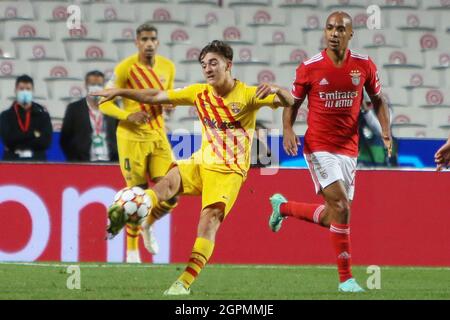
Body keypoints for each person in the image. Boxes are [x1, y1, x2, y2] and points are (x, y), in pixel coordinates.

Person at [92, 40, 293, 295]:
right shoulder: (199, 93)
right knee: (166, 183)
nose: (207, 68)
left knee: (209, 223)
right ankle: (139, 208)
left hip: (228, 172)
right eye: (203, 64)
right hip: (200, 161)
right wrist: (120, 93)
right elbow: (155, 96)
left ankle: (183, 283)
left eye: (213, 63)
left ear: (228, 65)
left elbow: (289, 100)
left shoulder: (248, 95)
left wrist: (277, 88)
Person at [268, 12, 392, 293]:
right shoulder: (310, 67)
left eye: (340, 29)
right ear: (325, 32)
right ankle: (346, 278)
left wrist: (386, 132)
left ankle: (283, 207)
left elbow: (378, 100)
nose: (334, 33)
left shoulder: (364, 66)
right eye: (330, 28)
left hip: (349, 150)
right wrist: (288, 129)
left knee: (334, 216)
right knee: (342, 208)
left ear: (351, 34)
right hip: (319, 147)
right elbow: (292, 102)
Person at [99, 23, 177, 263]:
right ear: (136, 42)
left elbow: (169, 97)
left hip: (158, 135)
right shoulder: (125, 68)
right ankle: (132, 253)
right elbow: (104, 101)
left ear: (158, 42)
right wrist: (127, 115)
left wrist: (169, 105)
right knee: (138, 194)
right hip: (131, 138)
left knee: (173, 192)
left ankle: (148, 225)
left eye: (153, 39)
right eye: (144, 39)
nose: (149, 43)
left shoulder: (168, 67)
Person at [60, 70, 118, 162]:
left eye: (99, 85)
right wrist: (74, 159)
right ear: (86, 85)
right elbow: (65, 138)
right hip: (82, 162)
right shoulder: (74, 109)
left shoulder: (113, 107)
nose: (96, 87)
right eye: (92, 84)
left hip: (110, 161)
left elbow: (119, 133)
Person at [0, 74, 52, 161]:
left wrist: (18, 141)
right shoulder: (5, 115)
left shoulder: (43, 115)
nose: (25, 92)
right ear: (15, 91)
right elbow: (8, 140)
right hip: (12, 162)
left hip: (37, 162)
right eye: (21, 89)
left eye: (28, 89)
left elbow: (46, 142)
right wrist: (34, 134)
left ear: (33, 91)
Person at [358, 90, 397, 167]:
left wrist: (366, 111)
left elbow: (380, 129)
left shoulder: (387, 110)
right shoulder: (360, 114)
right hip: (363, 161)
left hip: (383, 161)